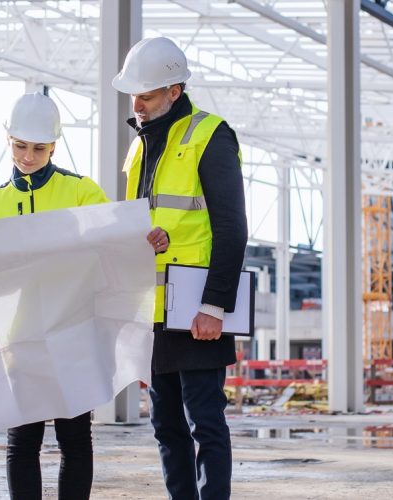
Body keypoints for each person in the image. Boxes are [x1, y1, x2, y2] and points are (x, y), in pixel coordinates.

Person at [111, 36, 248, 500]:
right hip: (153, 311)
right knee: (166, 426)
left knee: (204, 421)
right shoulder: (137, 149)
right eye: (134, 95)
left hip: (195, 309)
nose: (138, 104)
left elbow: (231, 228)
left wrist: (215, 306)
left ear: (174, 90)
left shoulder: (211, 136)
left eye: (146, 95)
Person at [0, 92, 128, 500]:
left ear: (54, 146)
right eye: (21, 146)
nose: (28, 156)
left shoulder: (82, 192)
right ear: (8, 140)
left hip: (74, 334)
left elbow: (112, 250)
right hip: (21, 340)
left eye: (39, 148)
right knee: (22, 439)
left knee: (74, 438)